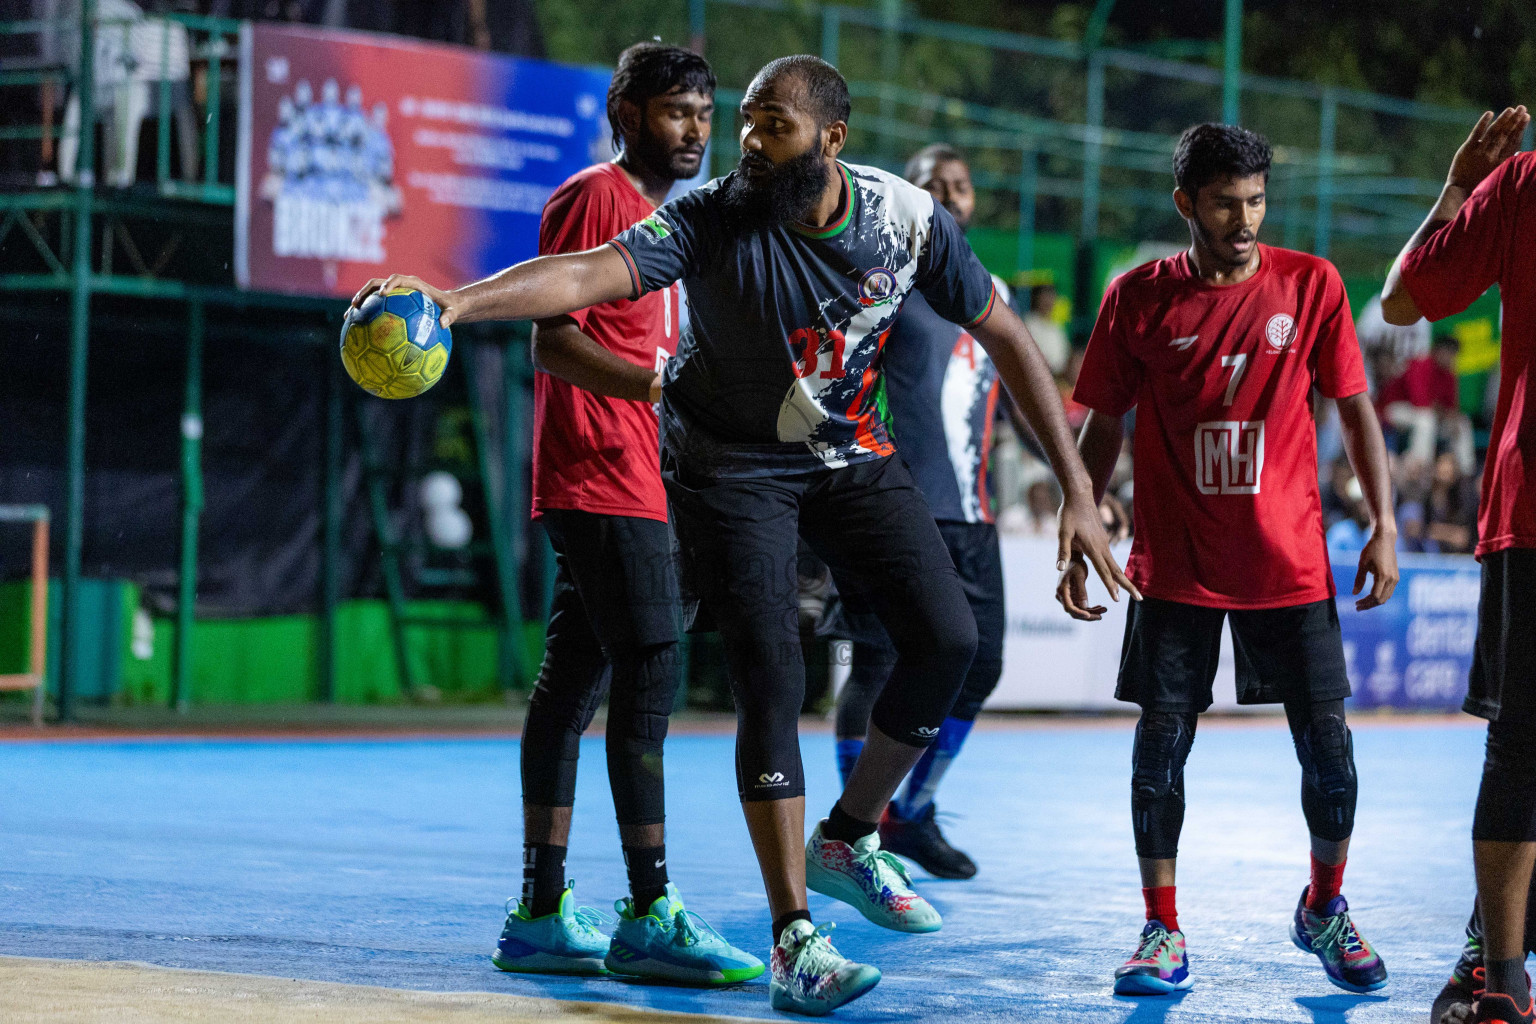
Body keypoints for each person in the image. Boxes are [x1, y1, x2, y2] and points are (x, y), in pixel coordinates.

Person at [353, 54, 1130, 1016]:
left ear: (831, 142)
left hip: (849, 453)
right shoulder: (714, 213)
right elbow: (591, 275)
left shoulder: (904, 219)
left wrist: (1079, 490)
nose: (750, 143)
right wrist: (457, 302)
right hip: (731, 467)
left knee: (950, 641)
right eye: (748, 122)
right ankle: (794, 939)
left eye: (774, 127)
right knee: (772, 673)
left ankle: (850, 834)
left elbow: (1007, 335)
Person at [1058, 123, 1399, 997]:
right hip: (1174, 568)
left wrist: (1384, 522)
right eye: (1224, 204)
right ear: (1186, 204)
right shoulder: (1137, 298)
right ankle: (1161, 931)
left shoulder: (1313, 285)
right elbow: (1101, 423)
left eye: (1254, 202)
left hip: (1289, 565)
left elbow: (1356, 411)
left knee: (1330, 752)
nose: (1243, 220)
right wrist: (1080, 513)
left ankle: (1325, 904)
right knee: (1159, 751)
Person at [485, 42, 760, 986]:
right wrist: (657, 386)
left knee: (572, 685)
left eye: (705, 113)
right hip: (601, 474)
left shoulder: (669, 220)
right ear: (629, 111)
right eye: (679, 110)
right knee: (651, 666)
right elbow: (552, 340)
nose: (696, 130)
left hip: (635, 475)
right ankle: (648, 913)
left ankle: (539, 914)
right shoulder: (598, 196)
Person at [1380, 102, 1536, 1024]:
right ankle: (1498, 971)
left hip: (1528, 505)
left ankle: (1496, 971)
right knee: (1522, 747)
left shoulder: (1520, 186)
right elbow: (1401, 307)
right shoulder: (1522, 187)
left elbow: (1404, 297)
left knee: (1522, 745)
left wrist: (1454, 194)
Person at [831, 144, 1012, 880]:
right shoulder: (885, 282)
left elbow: (1020, 394)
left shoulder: (991, 290)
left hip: (973, 514)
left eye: (959, 185)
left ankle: (911, 811)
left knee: (982, 662)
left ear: (972, 201)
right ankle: (856, 832)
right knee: (877, 662)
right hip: (889, 503)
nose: (948, 195)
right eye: (932, 185)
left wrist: (1080, 486)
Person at [1379, 336, 1475, 474]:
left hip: (1423, 414)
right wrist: (1441, 411)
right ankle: (1420, 468)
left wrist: (1451, 418)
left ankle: (1467, 472)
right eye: (1447, 352)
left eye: (1453, 354)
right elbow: (1420, 402)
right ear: (1437, 351)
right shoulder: (1421, 364)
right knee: (1426, 420)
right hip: (1394, 409)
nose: (1449, 357)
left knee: (1462, 422)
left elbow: (1451, 408)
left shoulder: (1448, 374)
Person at [1024, 283, 1072, 375]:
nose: (1048, 302)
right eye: (1045, 297)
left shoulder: (1057, 327)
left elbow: (1065, 358)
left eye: (1051, 297)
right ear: (1037, 299)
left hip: (1059, 378)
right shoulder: (1029, 323)